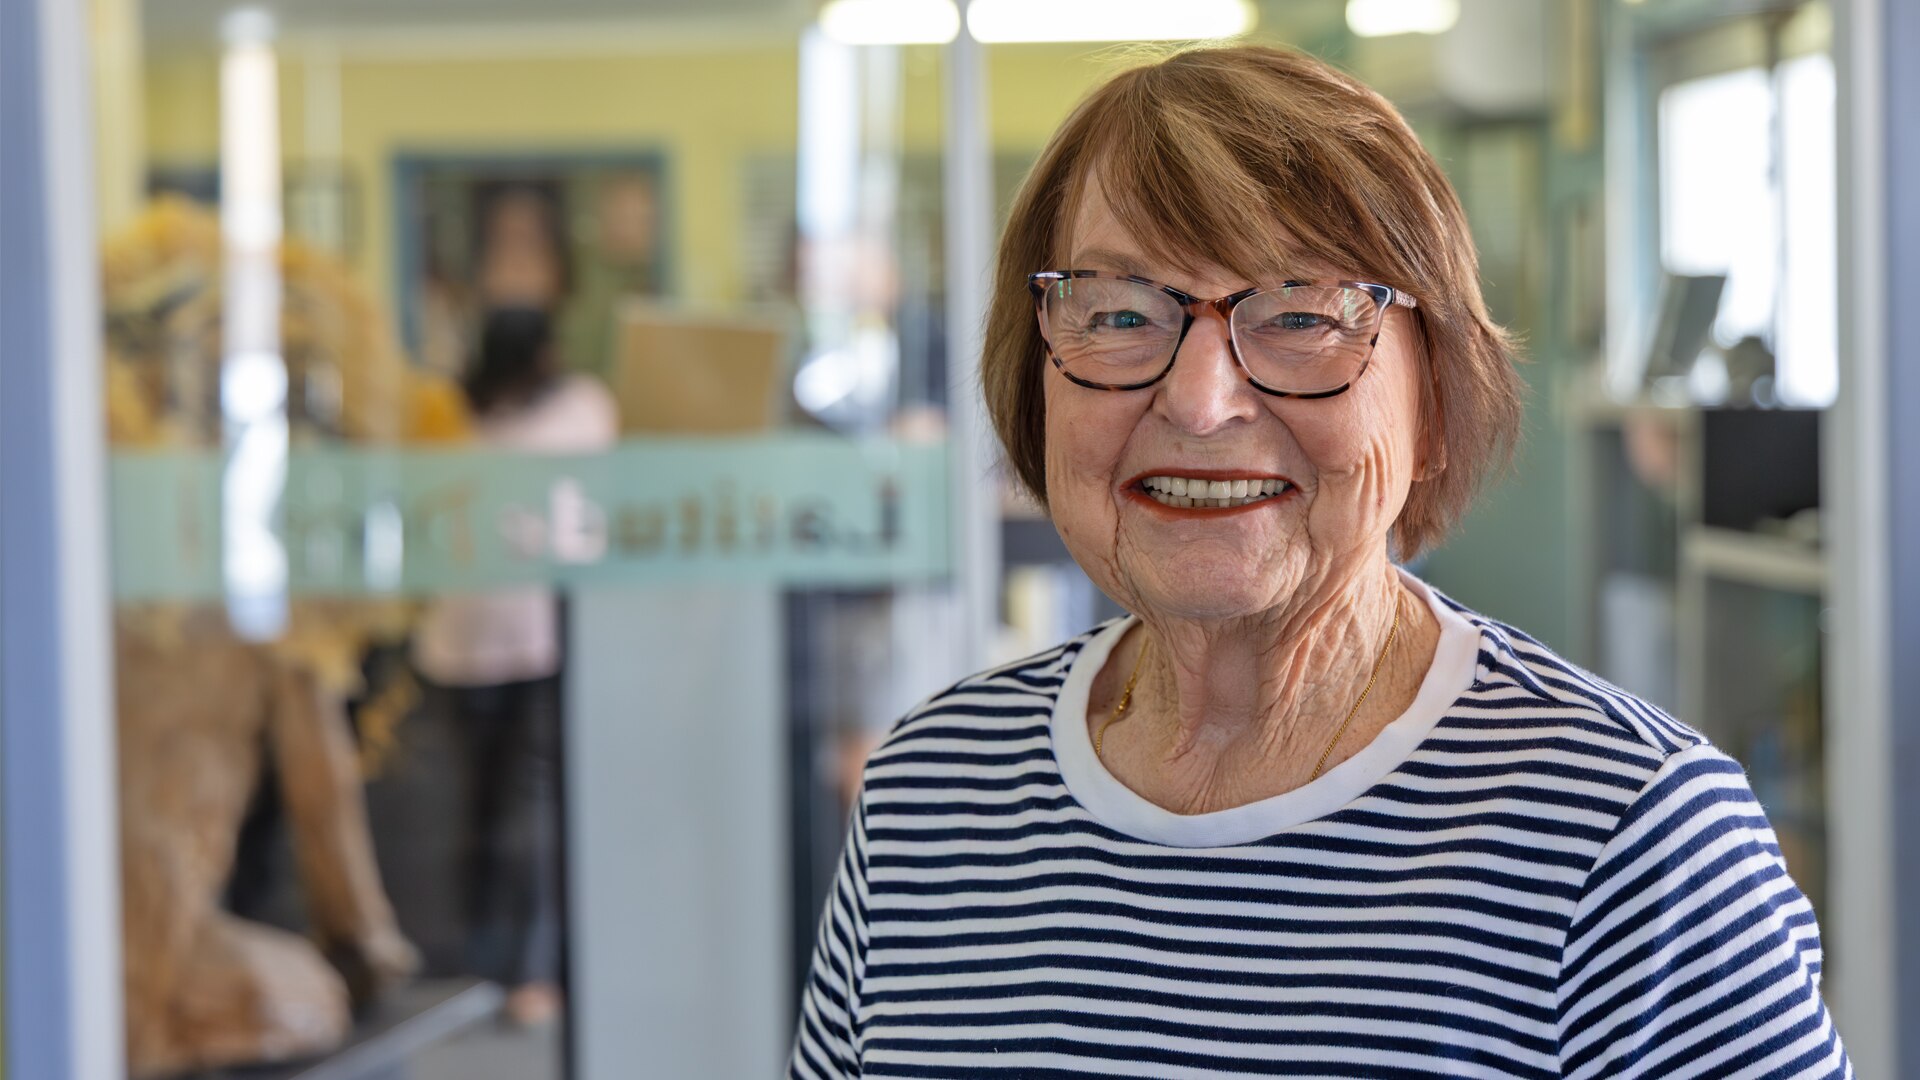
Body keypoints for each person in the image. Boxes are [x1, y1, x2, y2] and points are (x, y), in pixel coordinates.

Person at [789, 46, 1847, 1079]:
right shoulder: (929, 798)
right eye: (1117, 313)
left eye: (1301, 315)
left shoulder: (1630, 843)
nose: (1200, 403)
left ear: (1437, 401)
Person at [411, 306, 617, 1026]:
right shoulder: (583, 411)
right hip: (537, 639)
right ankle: (531, 975)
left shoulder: (446, 420)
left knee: (476, 812)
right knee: (532, 816)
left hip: (456, 639)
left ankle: (483, 967)